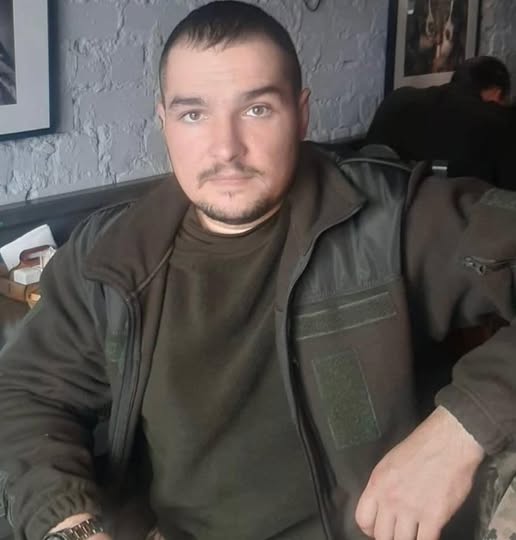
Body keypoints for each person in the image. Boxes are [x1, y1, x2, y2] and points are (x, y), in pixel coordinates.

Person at [1, 2, 516, 540]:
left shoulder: (395, 221)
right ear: (164, 122)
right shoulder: (110, 258)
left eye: (257, 109)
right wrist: (71, 524)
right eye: (194, 114)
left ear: (301, 113)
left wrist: (461, 428)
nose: (226, 148)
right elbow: (28, 393)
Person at [367, 56, 515, 189]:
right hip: (455, 208)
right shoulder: (500, 121)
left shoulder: (396, 99)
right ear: (497, 93)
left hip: (378, 203)